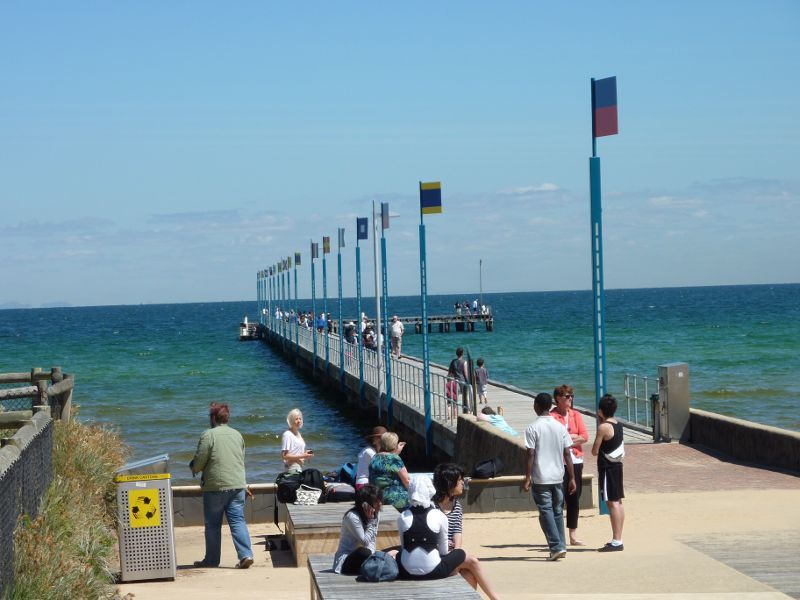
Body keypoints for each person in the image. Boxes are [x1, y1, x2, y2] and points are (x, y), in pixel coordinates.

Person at [397, 476, 498, 600]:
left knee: (399, 554)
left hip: (406, 572)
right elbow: (444, 551)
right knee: (461, 552)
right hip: (434, 571)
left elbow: (403, 546)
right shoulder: (438, 515)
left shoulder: (402, 516)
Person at [190, 402, 254, 569]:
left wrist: (193, 468)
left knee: (212, 524)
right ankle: (246, 555)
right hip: (238, 485)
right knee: (238, 521)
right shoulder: (237, 435)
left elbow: (200, 460)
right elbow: (241, 458)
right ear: (227, 417)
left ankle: (212, 560)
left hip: (215, 487)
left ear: (213, 418)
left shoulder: (208, 435)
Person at [522, 392, 576, 561]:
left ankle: (556, 546)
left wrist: (527, 477)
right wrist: (572, 477)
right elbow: (567, 453)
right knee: (557, 511)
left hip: (541, 477)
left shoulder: (532, 428)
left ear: (537, 407)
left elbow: (531, 453)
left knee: (546, 510)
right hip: (558, 476)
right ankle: (561, 545)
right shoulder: (559, 426)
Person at [551, 384, 589, 546]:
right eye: (567, 396)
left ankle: (573, 535)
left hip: (576, 460)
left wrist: (568, 440)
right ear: (558, 398)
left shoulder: (576, 415)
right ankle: (558, 535)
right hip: (560, 461)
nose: (570, 399)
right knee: (558, 499)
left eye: (571, 396)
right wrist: (572, 438)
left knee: (574, 497)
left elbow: (585, 436)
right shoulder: (552, 416)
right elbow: (555, 439)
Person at [592, 393, 626, 552]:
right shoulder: (618, 424)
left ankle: (617, 540)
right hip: (618, 466)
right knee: (618, 502)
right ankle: (618, 538)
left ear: (600, 411)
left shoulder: (604, 427)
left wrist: (600, 423)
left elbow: (594, 450)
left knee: (611, 503)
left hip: (607, 468)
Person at [332, 485, 384, 574]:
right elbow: (364, 542)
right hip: (346, 561)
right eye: (376, 501)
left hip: (366, 557)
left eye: (380, 500)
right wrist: (371, 522)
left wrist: (373, 557)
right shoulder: (352, 517)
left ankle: (370, 565)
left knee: (397, 550)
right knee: (364, 552)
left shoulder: (376, 514)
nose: (380, 503)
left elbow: (372, 540)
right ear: (365, 504)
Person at [369, 432, 410, 510]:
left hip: (379, 499)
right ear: (394, 445)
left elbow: (387, 461)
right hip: (397, 500)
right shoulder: (395, 459)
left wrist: (396, 453)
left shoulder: (374, 458)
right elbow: (407, 481)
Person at [432, 463, 465, 551]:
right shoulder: (431, 506)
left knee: (471, 560)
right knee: (473, 561)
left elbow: (457, 531)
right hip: (433, 552)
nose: (463, 482)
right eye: (459, 479)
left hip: (450, 552)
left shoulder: (456, 505)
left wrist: (456, 551)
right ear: (449, 483)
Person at [281, 408, 313, 473]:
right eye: (296, 419)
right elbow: (284, 456)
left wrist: (306, 453)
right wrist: (303, 456)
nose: (299, 421)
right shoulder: (287, 434)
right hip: (292, 467)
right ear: (291, 420)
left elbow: (295, 451)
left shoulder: (298, 434)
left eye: (300, 419)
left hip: (299, 466)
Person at [355, 425, 387, 490]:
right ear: (374, 440)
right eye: (379, 438)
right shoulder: (369, 451)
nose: (382, 440)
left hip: (370, 482)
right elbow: (382, 466)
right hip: (364, 484)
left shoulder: (375, 451)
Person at [448, 347, 470, 414]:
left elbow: (450, 372)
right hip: (462, 381)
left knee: (455, 397)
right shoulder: (464, 362)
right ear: (462, 353)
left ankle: (455, 413)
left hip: (454, 380)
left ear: (456, 353)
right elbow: (465, 373)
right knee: (466, 396)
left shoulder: (453, 361)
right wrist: (468, 382)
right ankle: (468, 410)